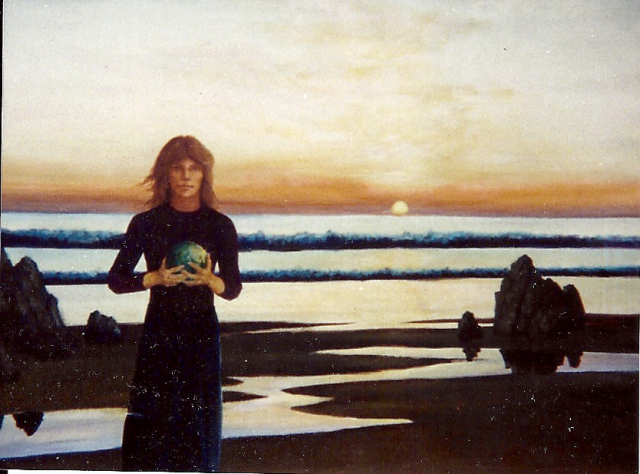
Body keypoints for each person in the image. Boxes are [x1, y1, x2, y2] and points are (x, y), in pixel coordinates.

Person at [107, 136, 242, 472]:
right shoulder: (145, 223)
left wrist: (210, 280)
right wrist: (155, 278)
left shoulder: (220, 225)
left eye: (194, 168)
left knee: (199, 424)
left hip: (201, 332)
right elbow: (116, 279)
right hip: (159, 330)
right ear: (165, 174)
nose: (185, 176)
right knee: (151, 425)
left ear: (204, 175)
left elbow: (233, 288)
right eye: (178, 168)